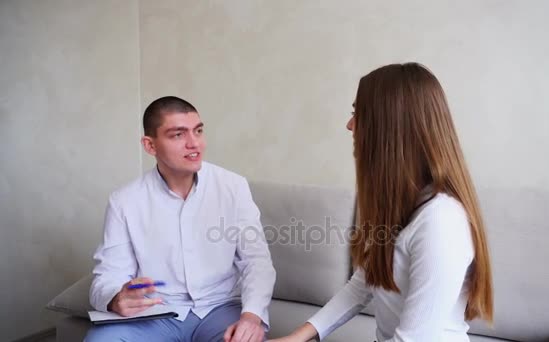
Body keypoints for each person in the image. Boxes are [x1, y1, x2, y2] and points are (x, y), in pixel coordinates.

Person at [269, 63, 493, 342]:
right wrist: (297, 337)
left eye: (357, 113)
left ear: (391, 127)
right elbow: (364, 283)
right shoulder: (402, 205)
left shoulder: (441, 220)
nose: (349, 125)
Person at [85, 96, 276, 342]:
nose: (194, 143)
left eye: (198, 131)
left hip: (220, 309)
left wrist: (252, 317)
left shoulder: (233, 187)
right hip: (155, 314)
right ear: (150, 145)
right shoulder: (124, 201)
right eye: (178, 135)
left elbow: (257, 261)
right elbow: (108, 276)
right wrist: (115, 299)